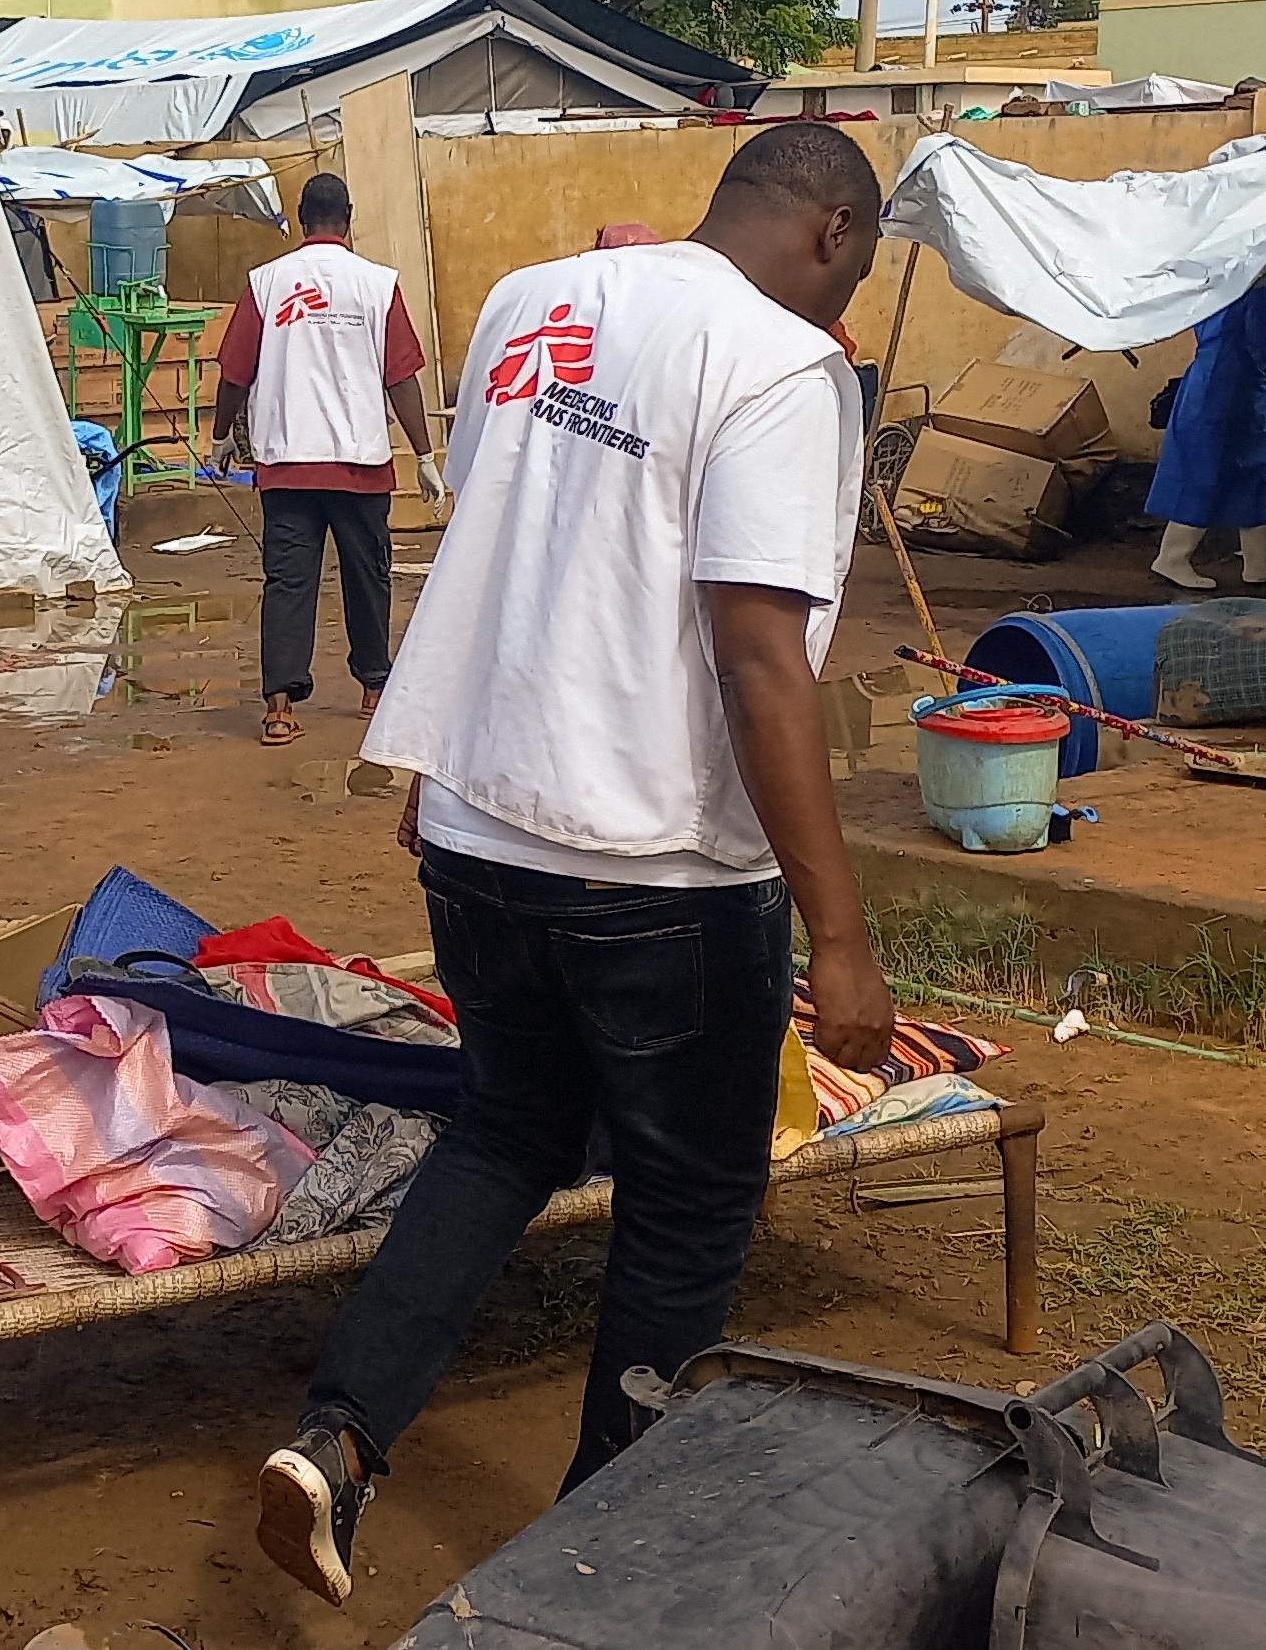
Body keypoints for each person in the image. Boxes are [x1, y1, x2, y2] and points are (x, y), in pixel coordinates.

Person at [254, 124, 901, 1606]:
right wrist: (840, 934)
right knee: (686, 1200)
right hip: (653, 873)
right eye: (855, 262)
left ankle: (337, 1442)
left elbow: (510, 542)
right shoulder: (784, 367)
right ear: (829, 231)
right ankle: (594, 1556)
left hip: (479, 833)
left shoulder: (533, 302)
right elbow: (758, 658)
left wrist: (432, 764)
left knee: (503, 1137)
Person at [208, 174, 448, 746]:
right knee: (368, 577)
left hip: (287, 464)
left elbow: (234, 372)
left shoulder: (264, 283)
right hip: (361, 463)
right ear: (350, 216)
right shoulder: (376, 284)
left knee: (288, 582)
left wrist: (221, 437)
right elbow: (402, 377)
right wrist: (424, 454)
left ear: (298, 216)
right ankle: (373, 688)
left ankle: (279, 707)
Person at [1145, 275, 1266, 589]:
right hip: (1229, 395)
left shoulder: (1229, 285)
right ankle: (1172, 557)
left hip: (1217, 388)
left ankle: (1262, 561)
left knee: (1254, 476)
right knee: (1206, 473)